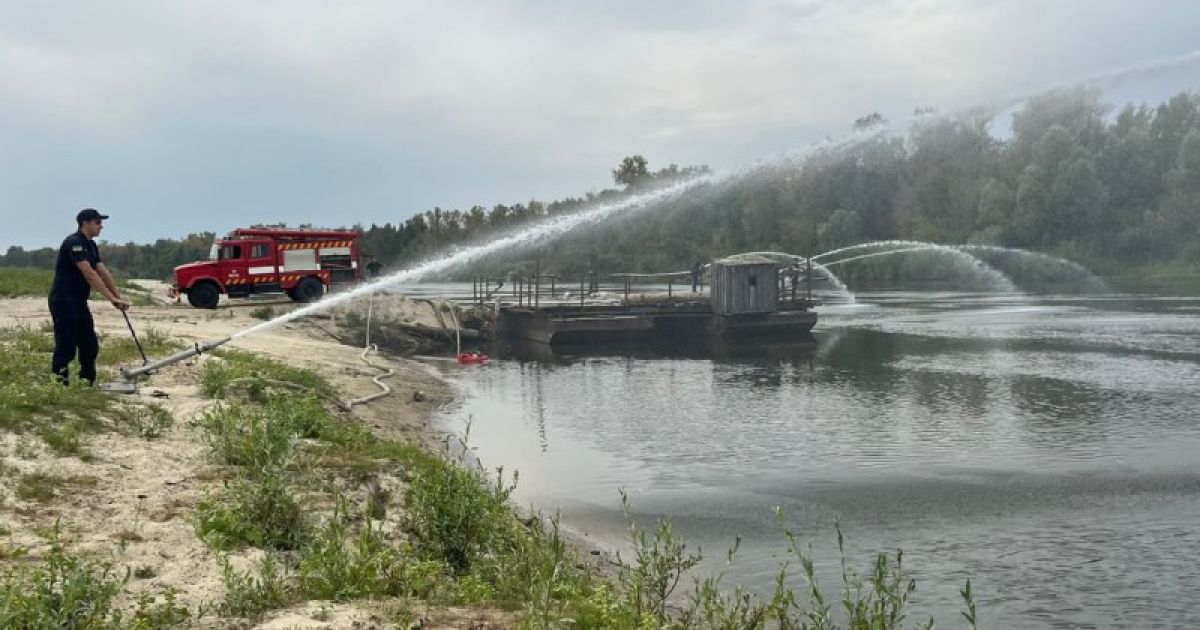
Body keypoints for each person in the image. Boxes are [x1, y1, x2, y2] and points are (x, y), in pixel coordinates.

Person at [49, 208, 129, 386]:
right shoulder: (74, 242)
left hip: (79, 301)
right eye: (98, 222)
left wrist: (118, 297)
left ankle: (87, 382)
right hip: (63, 300)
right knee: (66, 346)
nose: (101, 227)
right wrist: (110, 298)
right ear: (86, 223)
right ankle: (59, 385)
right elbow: (90, 274)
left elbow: (102, 272)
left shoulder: (91, 245)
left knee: (89, 344)